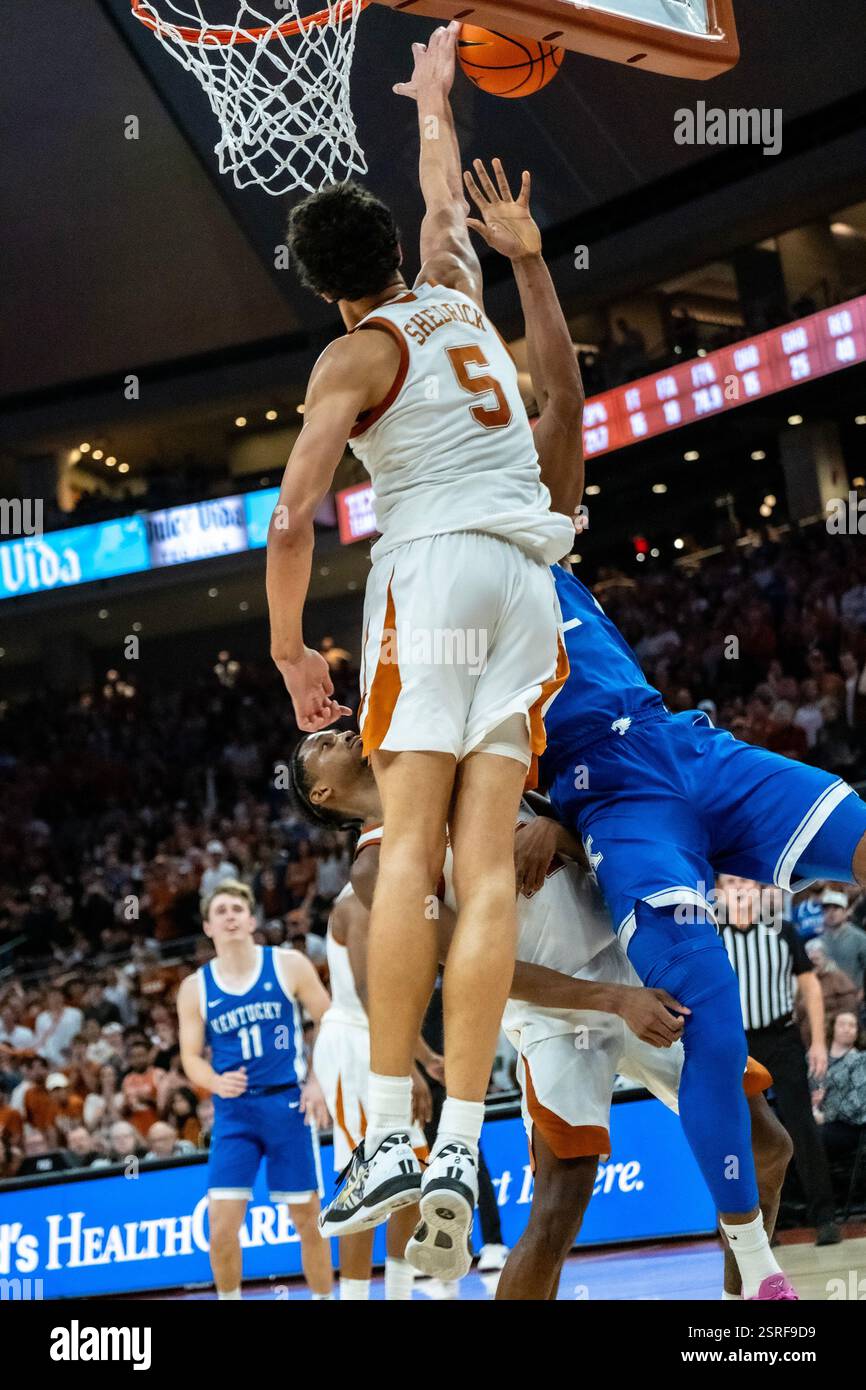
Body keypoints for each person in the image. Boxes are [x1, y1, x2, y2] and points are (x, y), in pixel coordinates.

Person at [460, 156, 866, 1299]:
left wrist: (531, 264)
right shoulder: (422, 626)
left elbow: (562, 405)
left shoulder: (528, 532)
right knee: (678, 1045)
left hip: (678, 745)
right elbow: (445, 778)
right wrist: (538, 806)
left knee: (859, 842)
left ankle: (746, 1271)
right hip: (606, 811)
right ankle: (749, 1269)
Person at [272, 25, 574, 1274]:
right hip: (528, 579)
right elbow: (443, 193)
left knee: (407, 852)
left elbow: (294, 512)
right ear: (395, 252)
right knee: (483, 863)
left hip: (439, 565)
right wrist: (432, 100)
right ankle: (462, 1139)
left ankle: (388, 1132)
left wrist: (291, 649)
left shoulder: (351, 351)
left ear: (321, 284)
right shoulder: (450, 282)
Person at [289, 733, 792, 1300]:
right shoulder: (378, 865)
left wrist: (560, 835)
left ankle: (738, 1303)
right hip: (555, 1014)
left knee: (765, 1145)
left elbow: (608, 841)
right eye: (322, 744)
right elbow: (472, 971)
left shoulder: (471, 773)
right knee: (559, 1208)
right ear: (323, 792)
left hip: (629, 962)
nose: (341, 731)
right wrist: (612, 1000)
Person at [176, 880, 335, 1300]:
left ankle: (324, 1298)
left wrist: (317, 1081)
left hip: (287, 1104)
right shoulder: (195, 987)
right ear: (208, 927)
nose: (229, 916)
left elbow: (328, 1020)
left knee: (308, 1219)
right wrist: (213, 1081)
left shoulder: (288, 964)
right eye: (220, 911)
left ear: (251, 919)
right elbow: (190, 1057)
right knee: (222, 1226)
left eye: (236, 909)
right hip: (234, 1113)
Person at [312, 884, 432, 1300]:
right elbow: (369, 994)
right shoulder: (356, 903)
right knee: (361, 1179)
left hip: (381, 1039)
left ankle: (399, 1293)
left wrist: (425, 1056)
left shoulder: (392, 898)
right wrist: (412, 1066)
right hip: (353, 1046)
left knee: (409, 1174)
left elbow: (395, 998)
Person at [718, 875, 840, 1245]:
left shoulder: (783, 931)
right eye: (730, 882)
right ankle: (747, 1226)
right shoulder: (711, 935)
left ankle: (825, 1218)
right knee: (734, 1135)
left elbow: (810, 985)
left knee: (801, 1127)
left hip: (781, 1038)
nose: (739, 888)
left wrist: (818, 1041)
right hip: (732, 1045)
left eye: (745, 882)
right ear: (719, 892)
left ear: (758, 890)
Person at [812, 1011, 866, 1159]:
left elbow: (856, 1103)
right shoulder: (816, 1057)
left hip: (845, 1126)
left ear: (857, 1032)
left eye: (852, 1025)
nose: (847, 1028)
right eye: (842, 1024)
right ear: (832, 1028)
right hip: (813, 1117)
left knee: (807, 1140)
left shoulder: (861, 1060)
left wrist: (825, 1116)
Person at [795, 940, 861, 1047]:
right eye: (810, 960)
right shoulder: (805, 983)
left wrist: (828, 1022)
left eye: (816, 959)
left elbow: (850, 1008)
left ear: (825, 959)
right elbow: (798, 1013)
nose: (813, 963)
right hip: (807, 1042)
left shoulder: (838, 978)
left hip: (833, 1040)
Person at [820, 889, 866, 996]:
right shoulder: (820, 940)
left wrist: (863, 992)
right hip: (827, 998)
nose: (831, 913)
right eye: (827, 909)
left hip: (854, 996)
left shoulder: (859, 937)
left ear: (845, 911)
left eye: (836, 908)